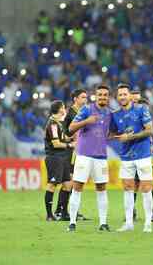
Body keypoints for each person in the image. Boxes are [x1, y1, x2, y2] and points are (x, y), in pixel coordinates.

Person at [67, 85, 112, 232]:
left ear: (108, 97)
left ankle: (103, 223)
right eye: (100, 95)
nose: (102, 97)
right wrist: (87, 121)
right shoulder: (86, 109)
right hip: (84, 155)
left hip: (101, 156)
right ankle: (72, 222)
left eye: (105, 95)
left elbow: (111, 133)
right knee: (78, 186)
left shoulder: (110, 114)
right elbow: (71, 128)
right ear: (95, 96)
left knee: (101, 188)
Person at [112, 84, 153, 233]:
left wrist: (130, 136)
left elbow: (150, 130)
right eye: (120, 95)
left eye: (125, 94)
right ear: (117, 98)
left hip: (143, 155)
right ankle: (129, 223)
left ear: (130, 96)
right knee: (128, 188)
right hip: (126, 156)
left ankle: (148, 223)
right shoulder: (115, 114)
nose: (123, 97)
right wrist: (118, 137)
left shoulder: (142, 109)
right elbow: (111, 134)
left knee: (146, 188)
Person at [55, 89, 89, 221]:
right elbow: (63, 133)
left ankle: (72, 210)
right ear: (75, 98)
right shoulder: (69, 114)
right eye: (82, 97)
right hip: (70, 152)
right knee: (69, 182)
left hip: (80, 150)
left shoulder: (82, 112)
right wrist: (71, 140)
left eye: (86, 97)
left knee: (76, 181)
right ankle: (60, 211)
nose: (85, 100)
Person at [135, 97, 153, 222]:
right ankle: (152, 212)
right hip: (139, 156)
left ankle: (132, 212)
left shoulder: (140, 119)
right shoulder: (138, 120)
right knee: (143, 184)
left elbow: (148, 135)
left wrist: (150, 144)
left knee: (136, 184)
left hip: (141, 155)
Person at [43, 100, 73, 221]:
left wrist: (72, 139)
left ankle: (64, 213)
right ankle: (49, 215)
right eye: (63, 107)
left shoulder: (58, 123)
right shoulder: (53, 124)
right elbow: (56, 143)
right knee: (52, 184)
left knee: (67, 184)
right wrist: (70, 145)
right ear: (60, 109)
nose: (65, 109)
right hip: (54, 157)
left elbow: (63, 138)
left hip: (62, 157)